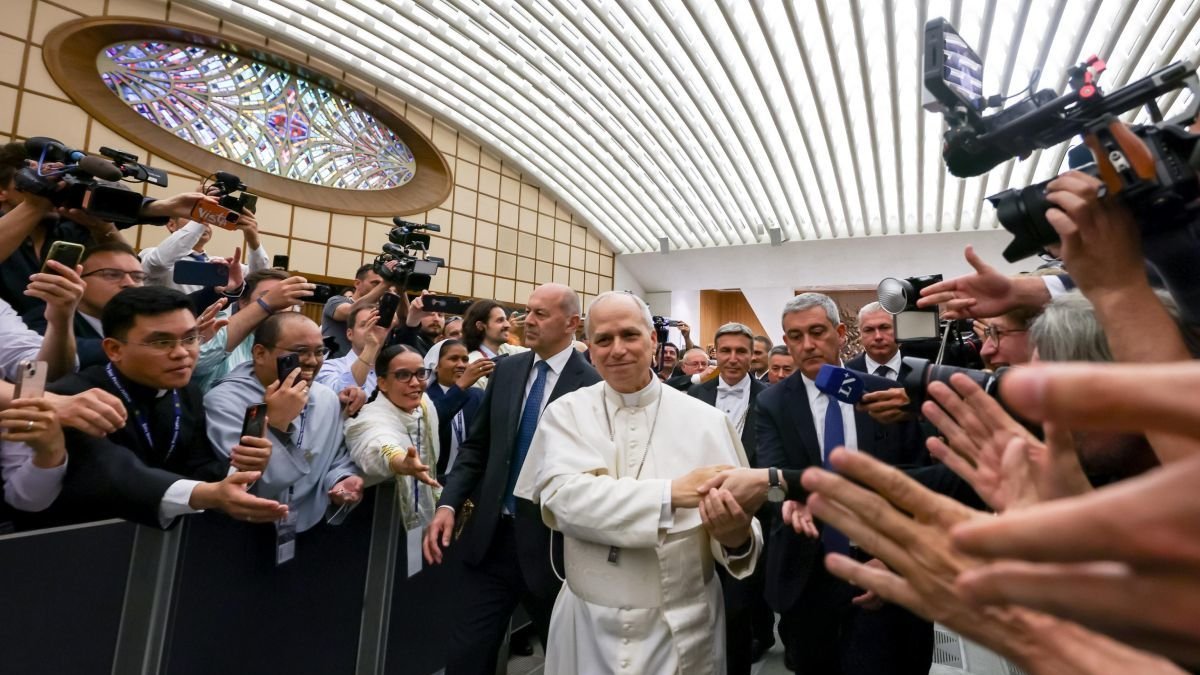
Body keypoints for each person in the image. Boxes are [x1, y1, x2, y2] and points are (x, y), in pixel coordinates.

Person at [513, 291, 761, 675]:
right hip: (587, 623)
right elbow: (565, 501)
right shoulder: (566, 413)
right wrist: (670, 494)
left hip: (681, 624)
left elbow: (741, 529)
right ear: (589, 349)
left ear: (653, 341)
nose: (617, 350)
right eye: (603, 340)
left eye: (629, 335)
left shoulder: (707, 421)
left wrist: (735, 537)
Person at [1, 286, 287, 528]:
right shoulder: (76, 395)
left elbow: (198, 468)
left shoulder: (187, 393)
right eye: (161, 342)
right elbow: (113, 470)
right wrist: (205, 494)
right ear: (114, 349)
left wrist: (239, 468)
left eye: (190, 338)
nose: (181, 353)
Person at [422, 283, 599, 674]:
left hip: (555, 549)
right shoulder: (507, 371)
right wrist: (449, 503)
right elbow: (477, 448)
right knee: (467, 655)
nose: (527, 321)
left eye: (541, 314)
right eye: (527, 311)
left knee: (569, 658)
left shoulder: (593, 386)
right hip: (493, 539)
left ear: (572, 323)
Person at [756, 292, 932, 675]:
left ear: (839, 332)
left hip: (884, 563)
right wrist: (788, 498)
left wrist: (892, 556)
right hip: (808, 573)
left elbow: (918, 482)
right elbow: (772, 472)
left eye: (817, 332)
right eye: (795, 336)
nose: (807, 345)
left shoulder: (882, 393)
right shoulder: (772, 402)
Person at [204, 313, 364, 533]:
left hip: (308, 526)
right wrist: (277, 423)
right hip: (237, 529)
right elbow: (244, 480)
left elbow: (337, 455)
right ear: (260, 353)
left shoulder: (327, 398)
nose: (312, 361)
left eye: (319, 352)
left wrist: (342, 478)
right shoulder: (224, 401)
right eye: (299, 353)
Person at [687, 322, 773, 671]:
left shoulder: (770, 398)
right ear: (715, 353)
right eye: (726, 351)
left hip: (750, 518)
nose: (734, 358)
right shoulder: (693, 398)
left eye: (742, 351)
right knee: (697, 608)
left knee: (738, 611)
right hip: (696, 515)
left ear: (753, 355)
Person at [344, 345, 445, 532]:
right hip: (374, 524)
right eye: (403, 375)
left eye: (421, 373)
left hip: (425, 518)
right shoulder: (369, 417)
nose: (415, 383)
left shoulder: (424, 404)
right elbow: (377, 442)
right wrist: (399, 461)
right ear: (382, 383)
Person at [139, 207, 270, 293]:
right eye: (193, 218)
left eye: (207, 221)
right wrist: (205, 211)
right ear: (172, 225)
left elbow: (258, 278)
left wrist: (253, 240)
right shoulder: (150, 254)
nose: (205, 223)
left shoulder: (221, 265)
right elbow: (160, 263)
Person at [421, 339, 491, 481]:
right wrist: (460, 387)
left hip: (471, 483)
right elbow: (431, 423)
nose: (461, 365)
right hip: (434, 480)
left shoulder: (477, 395)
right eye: (453, 359)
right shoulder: (423, 398)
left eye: (465, 360)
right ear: (435, 365)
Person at [316, 301, 387, 397]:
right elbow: (342, 395)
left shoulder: (392, 372)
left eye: (376, 325)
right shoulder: (329, 367)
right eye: (365, 325)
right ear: (350, 334)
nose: (371, 330)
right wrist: (370, 347)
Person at [321, 264, 390, 358]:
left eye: (381, 284)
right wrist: (386, 283)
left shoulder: (380, 309)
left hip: (366, 367)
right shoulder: (335, 301)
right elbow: (350, 312)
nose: (380, 288)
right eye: (375, 283)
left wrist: (401, 289)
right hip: (333, 367)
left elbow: (405, 321)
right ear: (357, 283)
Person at [461, 299, 529, 389]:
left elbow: (535, 353)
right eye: (500, 320)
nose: (508, 325)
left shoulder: (507, 350)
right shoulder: (473, 364)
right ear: (480, 326)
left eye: (506, 319)